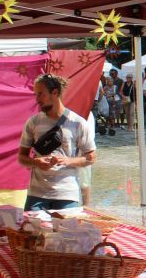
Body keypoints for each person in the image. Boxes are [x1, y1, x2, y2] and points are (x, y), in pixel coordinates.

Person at [17, 74, 96, 211]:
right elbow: (21, 158)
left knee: (65, 225)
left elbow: (91, 158)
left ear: (55, 92)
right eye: (36, 94)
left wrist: (67, 161)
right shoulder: (33, 122)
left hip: (67, 194)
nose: (37, 99)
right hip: (37, 194)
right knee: (30, 225)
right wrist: (36, 162)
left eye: (41, 94)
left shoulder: (78, 123)